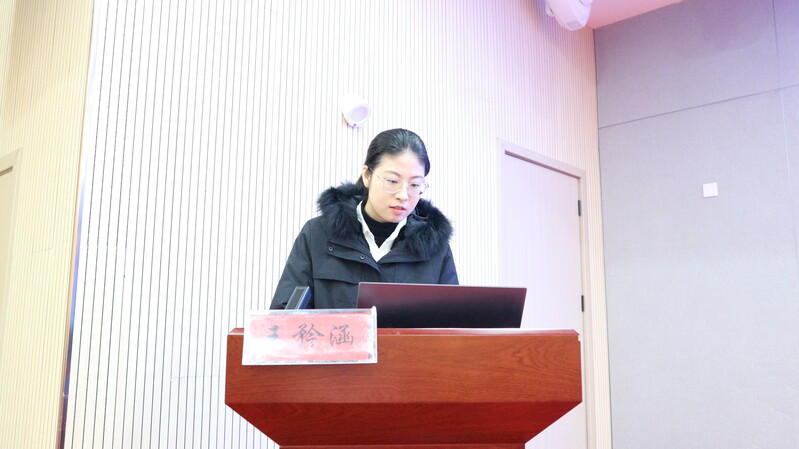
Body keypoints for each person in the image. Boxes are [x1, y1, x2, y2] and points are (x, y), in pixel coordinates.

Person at [270, 128, 458, 309]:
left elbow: (453, 321)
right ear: (367, 176)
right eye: (392, 181)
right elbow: (286, 316)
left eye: (415, 184)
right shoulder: (317, 235)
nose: (403, 195)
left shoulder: (435, 246)